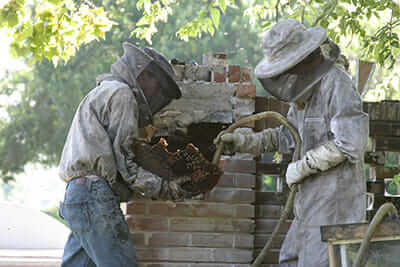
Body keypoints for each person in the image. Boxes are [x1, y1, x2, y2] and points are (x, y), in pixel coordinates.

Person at [217, 19, 369, 267]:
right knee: (289, 259)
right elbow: (287, 135)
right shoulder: (304, 94)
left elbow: (350, 142)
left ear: (303, 59)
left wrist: (303, 166)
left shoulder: (337, 84)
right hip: (307, 207)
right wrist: (243, 142)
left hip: (335, 210)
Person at [58, 42, 190, 267]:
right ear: (144, 75)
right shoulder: (122, 94)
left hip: (76, 195)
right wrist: (167, 188)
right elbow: (126, 165)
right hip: (93, 196)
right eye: (158, 86)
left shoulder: (104, 90)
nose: (158, 94)